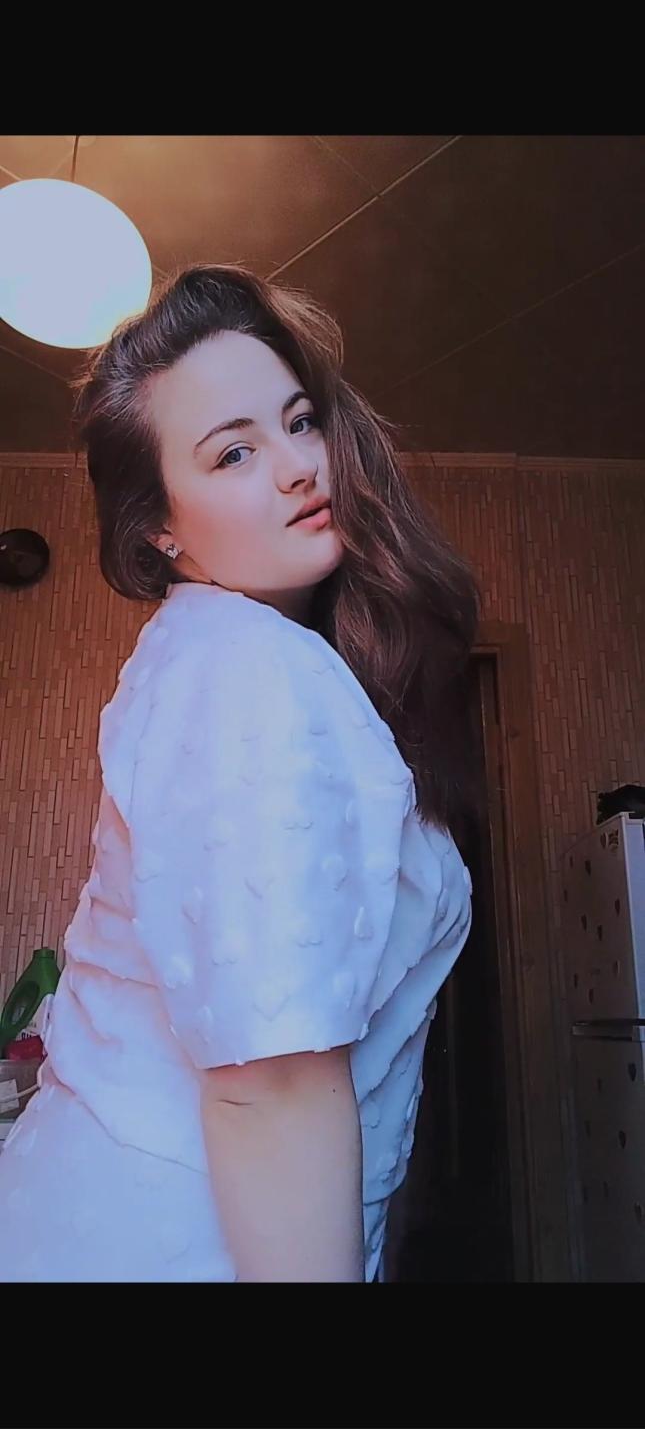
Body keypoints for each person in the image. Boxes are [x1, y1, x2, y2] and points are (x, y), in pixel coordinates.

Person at [0, 263, 480, 1282]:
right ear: (161, 527)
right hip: (173, 1247)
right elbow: (270, 1084)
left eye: (300, 422)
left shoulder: (232, 658)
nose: (300, 465)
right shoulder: (244, 666)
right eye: (234, 451)